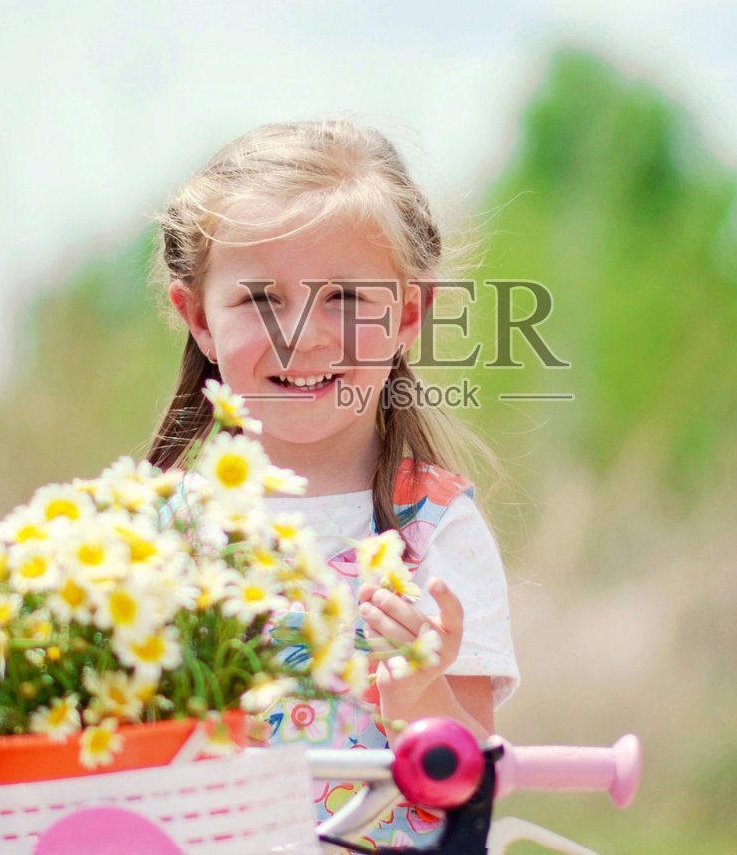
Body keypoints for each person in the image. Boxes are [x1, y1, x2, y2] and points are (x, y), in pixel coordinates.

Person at [144, 119, 519, 848]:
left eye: (346, 297)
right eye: (261, 299)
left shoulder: (432, 529)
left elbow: (477, 783)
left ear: (408, 315)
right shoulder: (159, 532)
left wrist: (418, 689)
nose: (305, 335)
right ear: (198, 320)